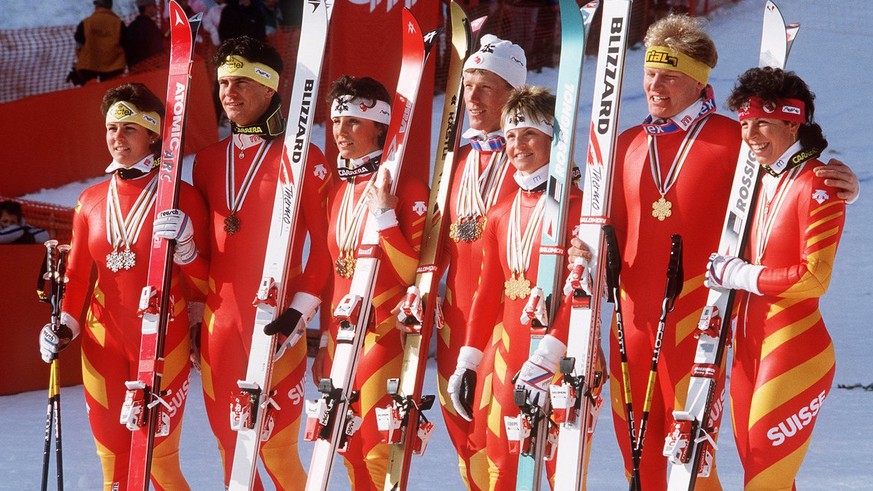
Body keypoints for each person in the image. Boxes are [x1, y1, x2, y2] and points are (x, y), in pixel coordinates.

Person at [566, 14, 859, 489]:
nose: (655, 84)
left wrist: (842, 185)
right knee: (637, 453)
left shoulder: (735, 139)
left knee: (692, 456)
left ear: (698, 79)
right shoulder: (624, 144)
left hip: (700, 321)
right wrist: (586, 253)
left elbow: (786, 186)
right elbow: (608, 232)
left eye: (670, 74)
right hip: (632, 321)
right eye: (650, 72)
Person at [37, 82, 208, 490]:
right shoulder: (90, 201)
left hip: (165, 338)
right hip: (102, 345)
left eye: (129, 128)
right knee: (113, 467)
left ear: (153, 133)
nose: (117, 138)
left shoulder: (182, 197)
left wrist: (185, 247)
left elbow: (204, 283)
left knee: (159, 464)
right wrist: (63, 325)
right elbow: (78, 276)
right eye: (111, 128)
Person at [191, 35, 332, 489]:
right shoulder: (207, 163)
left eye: (242, 82)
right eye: (224, 82)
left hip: (275, 328)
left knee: (277, 454)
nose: (229, 92)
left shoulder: (303, 158)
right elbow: (209, 256)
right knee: (233, 453)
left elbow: (327, 249)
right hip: (219, 329)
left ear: (271, 88)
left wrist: (299, 313)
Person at [709, 66, 844, 489]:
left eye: (762, 123)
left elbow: (814, 279)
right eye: (745, 124)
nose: (749, 135)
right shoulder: (758, 182)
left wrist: (743, 275)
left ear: (793, 121)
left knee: (764, 479)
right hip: (749, 347)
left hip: (794, 350)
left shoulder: (817, 184)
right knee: (764, 477)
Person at [447, 85, 581, 489]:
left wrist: (550, 354)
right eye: (509, 135)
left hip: (565, 358)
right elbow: (488, 292)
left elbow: (583, 293)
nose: (517, 145)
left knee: (563, 477)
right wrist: (468, 361)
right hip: (509, 357)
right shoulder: (501, 212)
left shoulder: (578, 207)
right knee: (503, 471)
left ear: (553, 139)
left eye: (529, 134)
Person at [311, 74, 428, 489]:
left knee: (377, 450)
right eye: (337, 121)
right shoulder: (336, 190)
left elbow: (414, 271)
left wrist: (385, 217)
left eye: (354, 122)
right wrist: (325, 341)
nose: (341, 132)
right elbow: (333, 276)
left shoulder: (408, 187)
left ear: (380, 126)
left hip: (383, 332)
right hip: (342, 335)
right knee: (346, 447)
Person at [437, 34, 528, 491]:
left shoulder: (533, 158)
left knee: (500, 450)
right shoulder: (458, 159)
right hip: (455, 323)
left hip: (504, 324)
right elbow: (439, 245)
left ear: (513, 94)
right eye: (467, 85)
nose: (471, 97)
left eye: (485, 87)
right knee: (465, 445)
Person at [69, 0, 127, 86]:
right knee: (112, 95)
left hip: (88, 68)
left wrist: (80, 59)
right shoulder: (118, 23)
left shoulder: (86, 23)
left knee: (90, 97)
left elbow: (78, 44)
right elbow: (125, 44)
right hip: (114, 68)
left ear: (97, 6)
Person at [123, 0, 164, 68]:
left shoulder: (132, 26)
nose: (157, 8)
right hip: (151, 69)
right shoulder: (151, 26)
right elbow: (157, 50)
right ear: (147, 8)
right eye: (154, 6)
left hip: (135, 70)